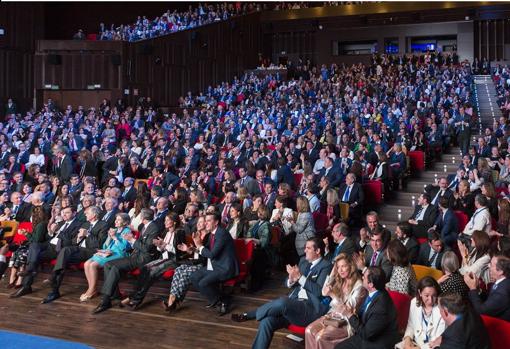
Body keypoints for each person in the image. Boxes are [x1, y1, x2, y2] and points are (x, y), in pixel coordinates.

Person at [231, 237, 332, 349]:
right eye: (305, 248)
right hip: (294, 305)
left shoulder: (326, 266)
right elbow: (288, 283)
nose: (305, 251)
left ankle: (250, 315)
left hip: (309, 310)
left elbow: (319, 292)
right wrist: (291, 279)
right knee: (266, 321)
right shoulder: (303, 261)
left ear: (317, 251)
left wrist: (299, 277)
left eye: (308, 248)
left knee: (283, 302)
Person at [93, 208, 160, 313]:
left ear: (143, 218)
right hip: (135, 255)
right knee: (107, 264)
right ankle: (114, 294)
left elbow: (147, 249)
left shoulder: (154, 228)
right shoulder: (143, 226)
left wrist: (132, 240)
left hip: (143, 258)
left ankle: (105, 300)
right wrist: (131, 239)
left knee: (114, 267)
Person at [41, 206, 108, 303]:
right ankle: (54, 289)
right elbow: (73, 242)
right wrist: (78, 238)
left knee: (64, 254)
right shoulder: (85, 224)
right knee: (63, 256)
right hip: (78, 249)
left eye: (87, 213)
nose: (85, 214)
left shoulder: (103, 225)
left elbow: (99, 244)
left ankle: (54, 280)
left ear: (94, 215)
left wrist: (88, 234)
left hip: (90, 251)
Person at [11, 205, 81, 298]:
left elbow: (72, 242)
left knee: (34, 257)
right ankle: (26, 285)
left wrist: (59, 232)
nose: (64, 215)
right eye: (63, 213)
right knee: (34, 246)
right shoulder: (60, 223)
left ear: (74, 213)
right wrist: (51, 232)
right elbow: (48, 238)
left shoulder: (78, 224)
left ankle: (49, 289)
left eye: (67, 213)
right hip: (48, 245)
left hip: (60, 249)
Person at [305, 253, 367, 349]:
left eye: (343, 266)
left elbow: (347, 308)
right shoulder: (341, 280)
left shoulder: (359, 286)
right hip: (332, 316)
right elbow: (323, 292)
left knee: (320, 337)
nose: (340, 270)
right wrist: (332, 274)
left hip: (346, 322)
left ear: (351, 266)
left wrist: (332, 294)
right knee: (309, 330)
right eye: (338, 267)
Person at [334, 266, 400, 349]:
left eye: (364, 277)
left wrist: (349, 315)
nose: (362, 277)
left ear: (371, 284)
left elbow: (366, 334)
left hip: (376, 342)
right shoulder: (375, 292)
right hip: (366, 333)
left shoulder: (380, 307)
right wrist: (354, 312)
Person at [190, 212, 239, 315]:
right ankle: (221, 299)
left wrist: (199, 245)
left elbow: (211, 255)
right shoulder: (212, 234)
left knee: (203, 283)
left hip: (225, 267)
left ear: (216, 222)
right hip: (215, 265)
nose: (205, 223)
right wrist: (195, 248)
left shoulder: (222, 234)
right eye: (205, 220)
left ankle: (220, 301)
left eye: (208, 221)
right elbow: (206, 250)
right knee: (194, 277)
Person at [81, 212, 132, 301]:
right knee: (87, 263)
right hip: (109, 252)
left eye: (119, 219)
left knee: (93, 265)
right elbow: (105, 246)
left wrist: (115, 237)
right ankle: (91, 288)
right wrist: (109, 237)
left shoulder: (127, 231)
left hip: (119, 254)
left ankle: (92, 290)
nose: (116, 221)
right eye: (116, 219)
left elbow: (123, 248)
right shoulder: (115, 230)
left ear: (125, 222)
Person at [162, 215, 209, 312]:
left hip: (204, 264)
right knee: (178, 270)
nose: (198, 224)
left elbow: (207, 255)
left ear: (206, 223)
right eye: (198, 222)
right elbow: (195, 252)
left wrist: (194, 250)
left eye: (201, 222)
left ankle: (174, 301)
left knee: (184, 273)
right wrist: (188, 250)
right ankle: (172, 299)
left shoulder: (209, 236)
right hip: (194, 261)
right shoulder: (196, 234)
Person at [395, 277, 446, 349]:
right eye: (426, 295)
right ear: (420, 293)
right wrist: (407, 339)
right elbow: (411, 325)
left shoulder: (442, 308)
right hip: (415, 342)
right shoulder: (414, 302)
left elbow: (438, 340)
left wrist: (419, 348)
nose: (430, 300)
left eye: (434, 295)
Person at [465, 254, 510, 321]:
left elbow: (481, 312)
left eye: (491, 265)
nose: (488, 266)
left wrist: (472, 288)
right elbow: (490, 299)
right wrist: (477, 288)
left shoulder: (502, 293)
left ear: (500, 271)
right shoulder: (502, 282)